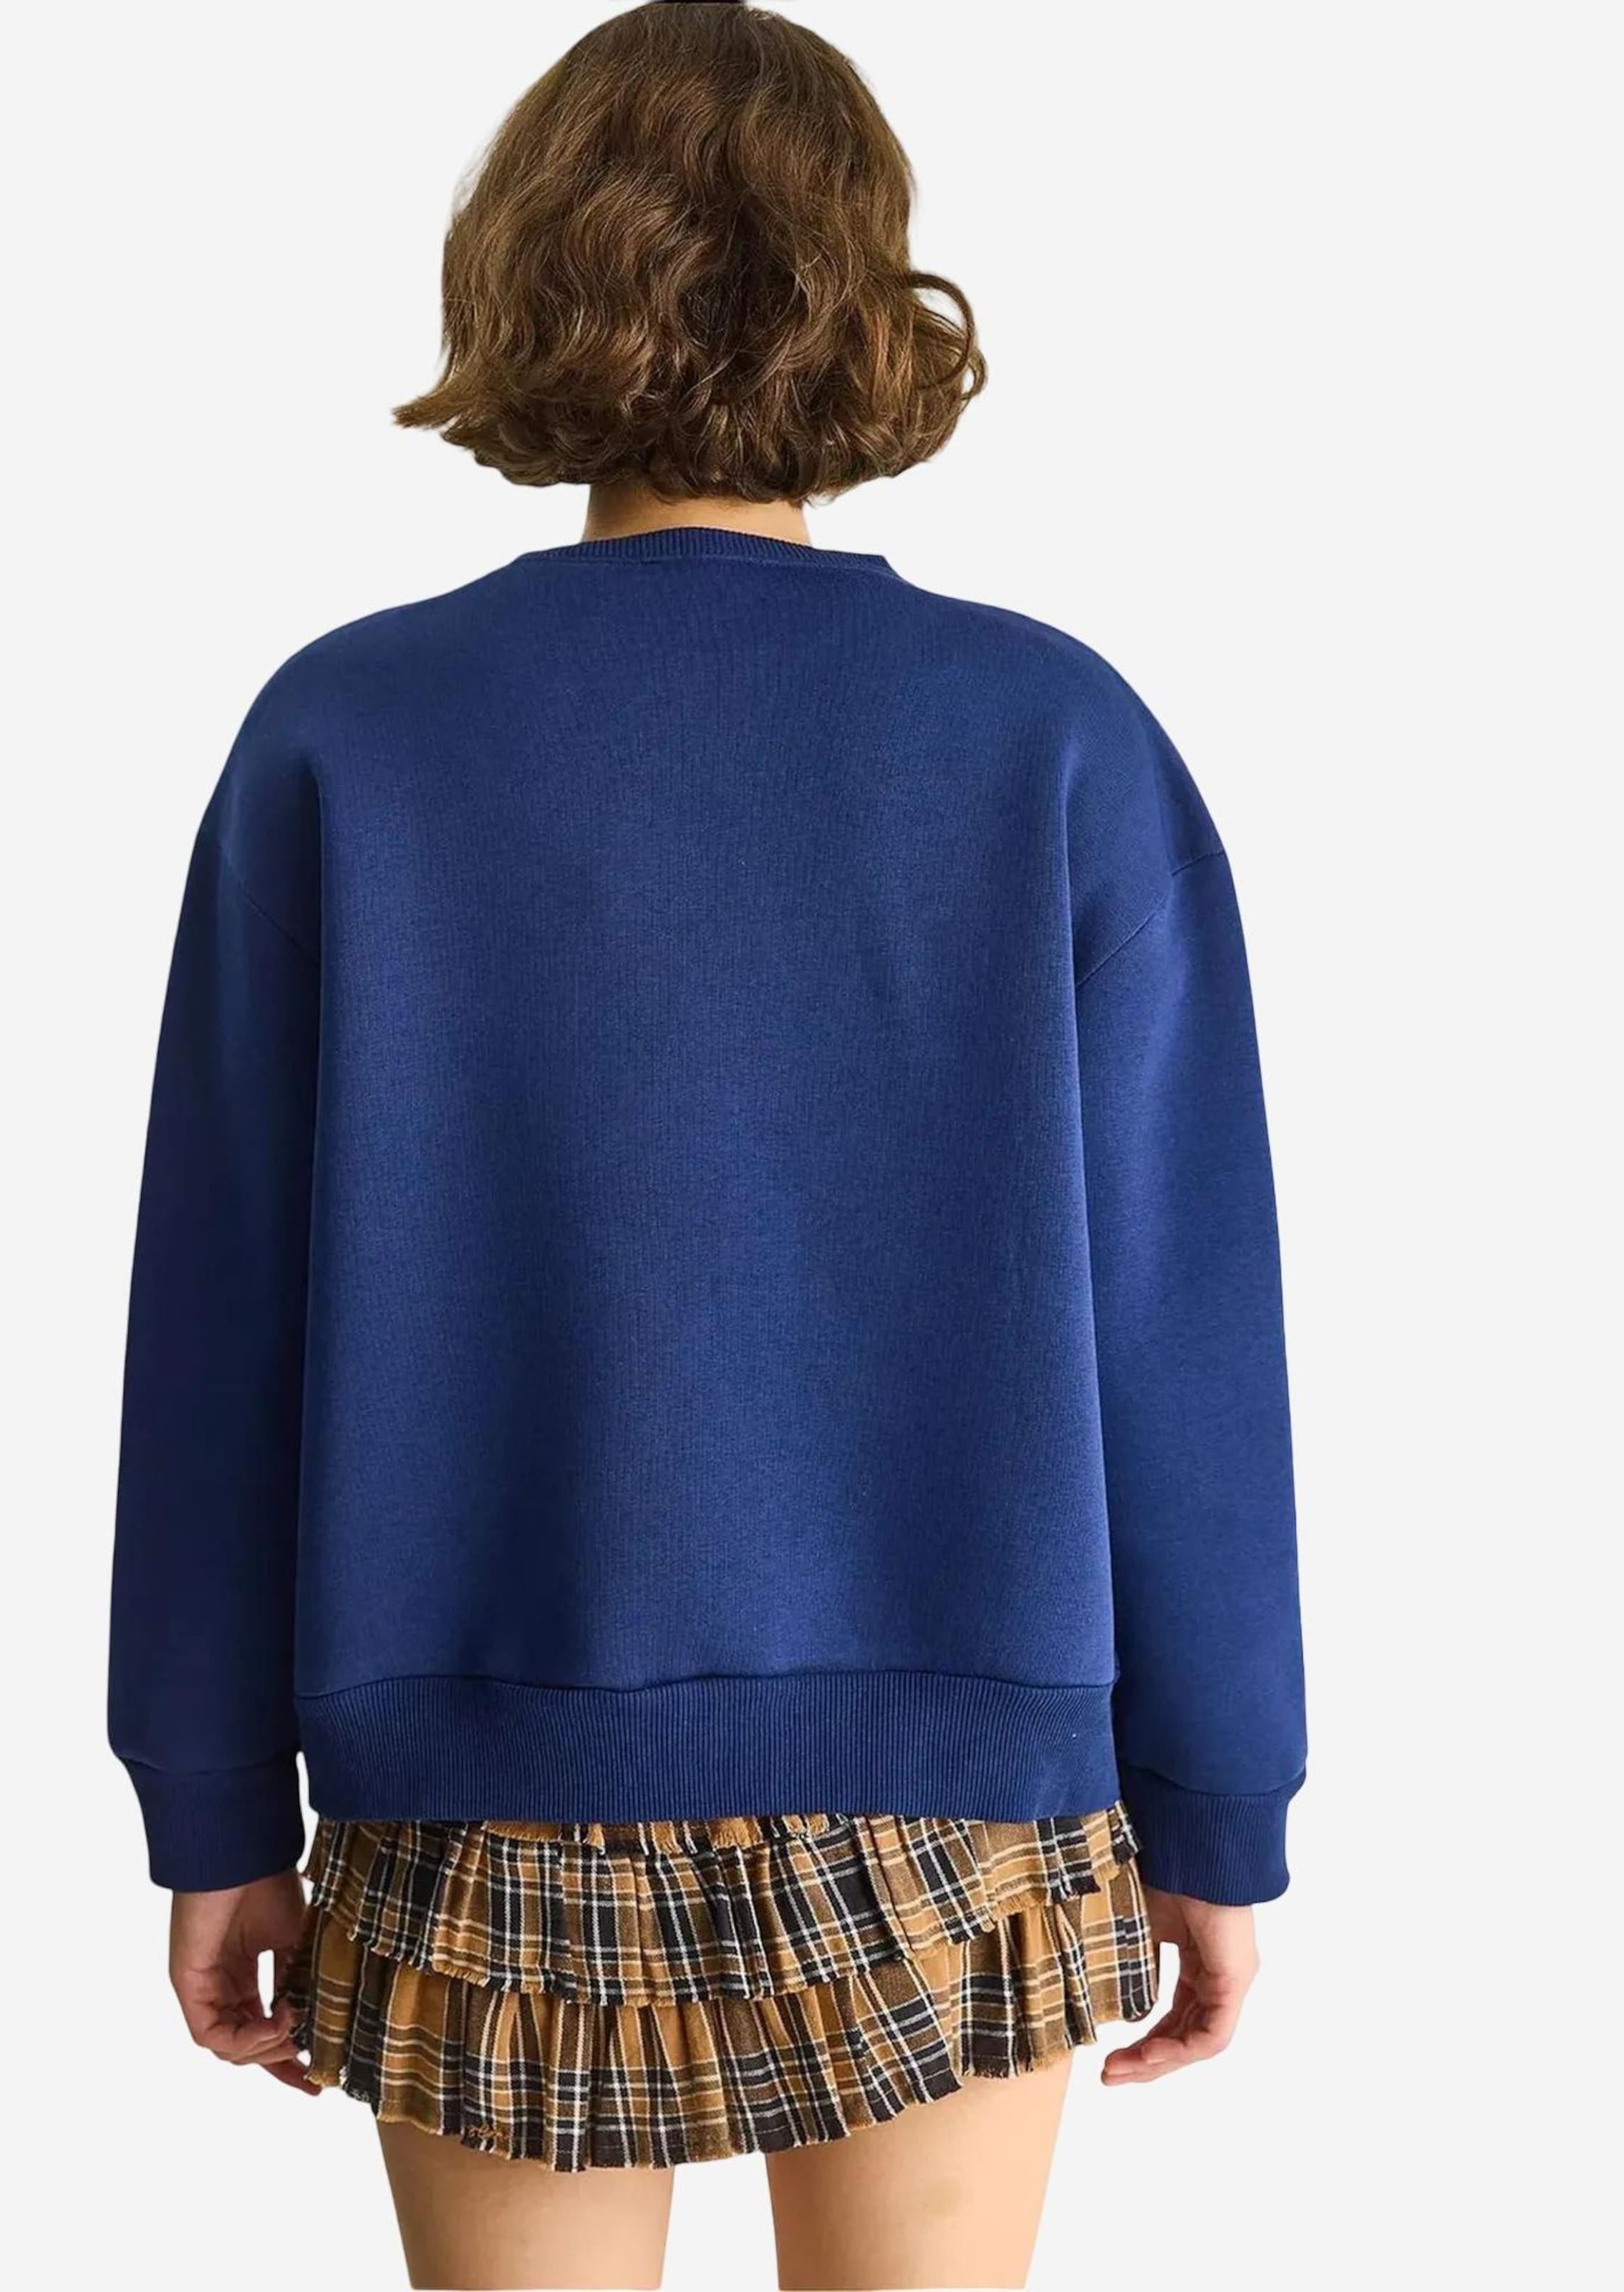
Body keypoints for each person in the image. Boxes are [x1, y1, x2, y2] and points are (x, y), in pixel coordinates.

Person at [109, 5, 1306, 2286]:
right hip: (959, 1782)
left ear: (523, 271)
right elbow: (1182, 1315)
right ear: (869, 291)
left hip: (485, 1769)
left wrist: (208, 1792)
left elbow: (221, 1316)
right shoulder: (1051, 734)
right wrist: (1219, 1800)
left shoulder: (350, 732)